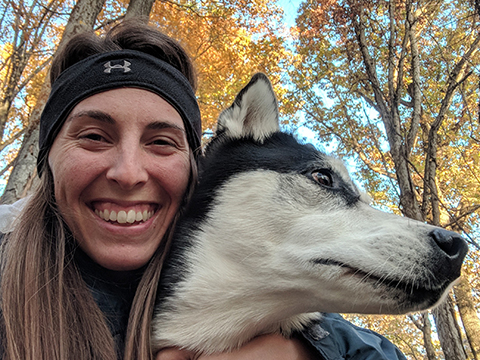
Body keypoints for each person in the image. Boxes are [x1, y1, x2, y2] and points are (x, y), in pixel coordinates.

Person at [0, 19, 407, 360]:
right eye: (93, 136)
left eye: (161, 142)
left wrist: (304, 351)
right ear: (47, 161)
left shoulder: (259, 280)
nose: (128, 173)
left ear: (193, 169)